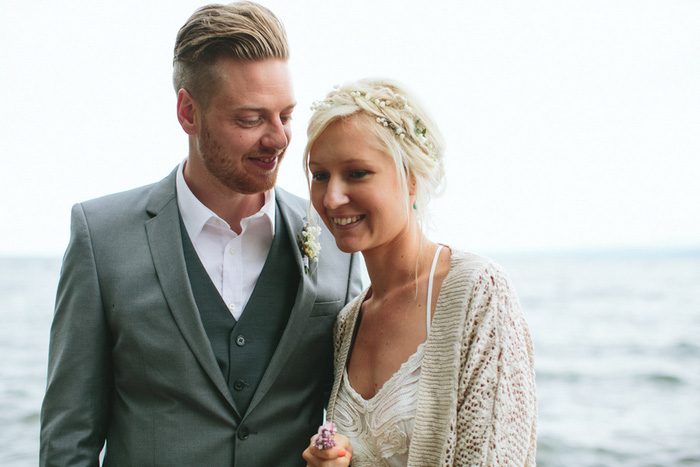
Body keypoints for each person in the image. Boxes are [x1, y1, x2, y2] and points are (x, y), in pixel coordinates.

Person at [40, 3, 362, 466]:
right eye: (251, 119)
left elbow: (356, 416)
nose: (278, 140)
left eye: (285, 116)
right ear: (188, 112)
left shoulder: (336, 240)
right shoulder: (101, 239)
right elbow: (68, 440)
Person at [301, 80, 537, 467]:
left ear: (411, 178)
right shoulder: (347, 323)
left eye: (357, 173)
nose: (331, 198)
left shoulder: (479, 293)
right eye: (320, 175)